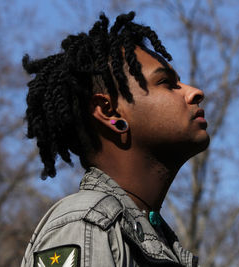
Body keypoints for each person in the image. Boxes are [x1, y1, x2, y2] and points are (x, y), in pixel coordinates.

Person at [21, 11, 209, 267]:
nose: (195, 92)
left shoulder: (153, 237)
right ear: (109, 113)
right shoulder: (87, 224)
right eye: (166, 83)